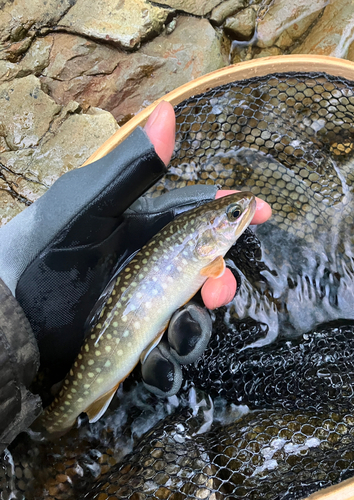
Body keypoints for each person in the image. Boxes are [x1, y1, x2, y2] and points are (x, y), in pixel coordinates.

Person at [0, 101, 271, 452]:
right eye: (235, 214)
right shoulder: (211, 263)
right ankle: (50, 428)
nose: (243, 212)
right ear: (206, 239)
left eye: (234, 214)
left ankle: (44, 434)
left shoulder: (209, 258)